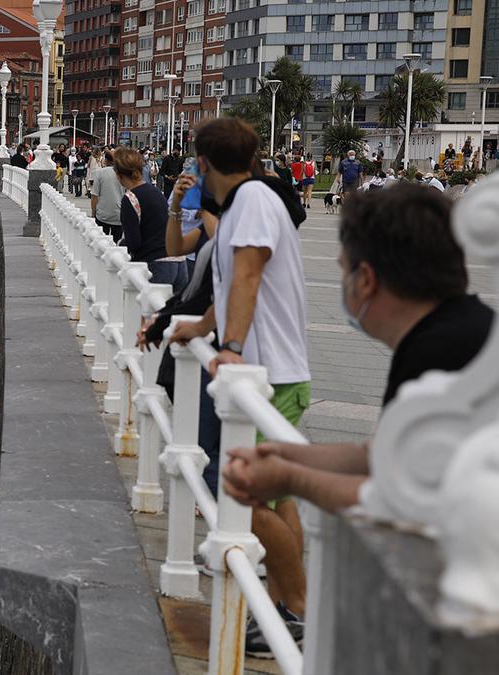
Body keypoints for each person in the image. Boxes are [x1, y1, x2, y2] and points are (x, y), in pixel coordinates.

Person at [222, 183, 493, 516]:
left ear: (365, 279)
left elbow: (396, 496)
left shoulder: (439, 353)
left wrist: (289, 478)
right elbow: (378, 455)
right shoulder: (462, 330)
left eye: (343, 268)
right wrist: (282, 454)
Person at [170, 117, 310, 657]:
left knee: (234, 487)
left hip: (267, 372)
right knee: (274, 493)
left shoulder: (250, 200)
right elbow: (234, 286)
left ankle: (294, 608)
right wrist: (201, 327)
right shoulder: (251, 200)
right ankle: (286, 601)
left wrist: (227, 347)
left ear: (202, 162)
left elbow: (249, 274)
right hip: (278, 370)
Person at [112, 147, 189, 293]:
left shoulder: (130, 198)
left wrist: (118, 245)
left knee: (148, 312)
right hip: (179, 262)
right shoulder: (156, 192)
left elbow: (133, 241)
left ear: (118, 174)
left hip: (157, 263)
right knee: (169, 313)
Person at [90, 147, 125, 240]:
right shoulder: (123, 174)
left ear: (105, 160)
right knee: (116, 244)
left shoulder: (99, 173)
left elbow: (94, 196)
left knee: (101, 242)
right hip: (118, 215)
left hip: (102, 214)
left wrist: (93, 214)